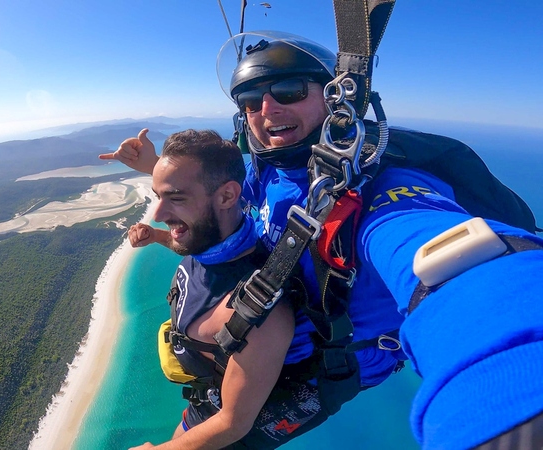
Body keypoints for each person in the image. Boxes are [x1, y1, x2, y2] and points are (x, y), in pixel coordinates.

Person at [102, 31, 543, 450]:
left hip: (311, 373)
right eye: (251, 100)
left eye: (290, 90)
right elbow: (220, 192)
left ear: (336, 99)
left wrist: (514, 404)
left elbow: (462, 270)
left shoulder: (378, 193)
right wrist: (157, 168)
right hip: (255, 347)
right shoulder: (269, 170)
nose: (267, 109)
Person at [121, 129, 405, 449]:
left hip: (241, 405)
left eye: (175, 198)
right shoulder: (216, 235)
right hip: (211, 389)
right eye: (159, 196)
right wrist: (158, 230)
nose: (158, 214)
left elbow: (232, 423)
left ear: (227, 197)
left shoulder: (259, 317)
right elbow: (200, 211)